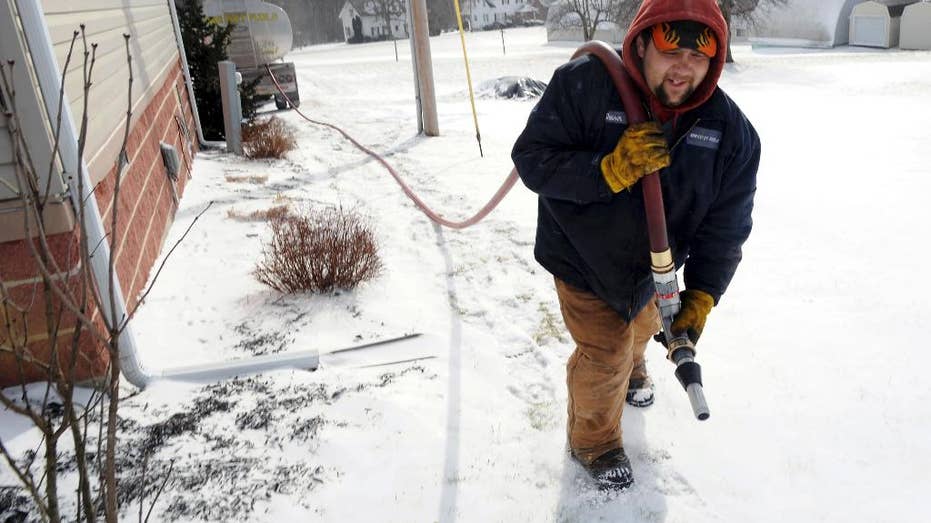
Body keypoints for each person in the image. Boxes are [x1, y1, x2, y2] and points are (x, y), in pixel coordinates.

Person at [511, 0, 760, 491]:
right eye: (672, 47)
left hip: (655, 269)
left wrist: (703, 294)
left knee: (646, 324)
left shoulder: (731, 134)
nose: (684, 65)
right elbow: (532, 160)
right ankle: (594, 442)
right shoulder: (585, 84)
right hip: (582, 258)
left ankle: (636, 367)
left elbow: (726, 227)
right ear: (643, 41)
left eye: (700, 53)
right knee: (606, 352)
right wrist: (607, 171)